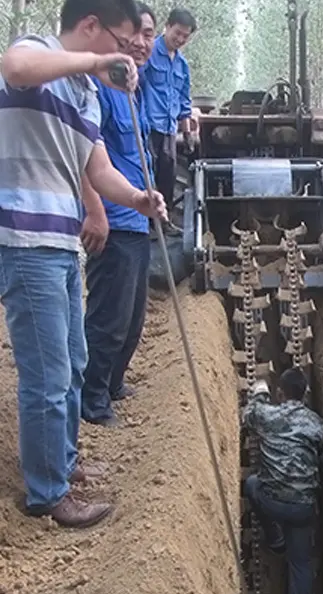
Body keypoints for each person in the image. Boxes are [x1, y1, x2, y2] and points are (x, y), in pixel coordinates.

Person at [0, 0, 167, 528]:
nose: (127, 55)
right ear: (90, 26)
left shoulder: (88, 95)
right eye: (122, 43)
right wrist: (94, 63)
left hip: (60, 243)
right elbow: (14, 68)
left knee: (72, 361)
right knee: (47, 373)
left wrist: (139, 197)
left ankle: (63, 463)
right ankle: (47, 494)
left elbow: (97, 169)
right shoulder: (40, 54)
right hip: (26, 241)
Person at [80, 2, 157, 427]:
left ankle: (112, 382)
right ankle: (92, 401)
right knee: (109, 318)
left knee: (131, 319)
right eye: (136, 35)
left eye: (149, 36)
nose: (142, 44)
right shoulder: (102, 89)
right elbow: (85, 156)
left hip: (136, 220)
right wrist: (95, 212)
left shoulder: (134, 89)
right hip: (113, 220)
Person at [242, 368, 323, 594]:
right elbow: (321, 454)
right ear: (304, 395)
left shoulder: (269, 415)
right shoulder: (316, 423)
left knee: (253, 484)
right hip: (303, 507)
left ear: (281, 393)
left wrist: (259, 391)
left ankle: (275, 539)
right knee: (300, 562)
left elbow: (248, 416)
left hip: (273, 502)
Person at [141, 7, 196, 214]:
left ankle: (165, 220)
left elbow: (184, 101)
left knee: (168, 176)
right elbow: (133, 83)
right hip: (148, 126)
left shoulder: (182, 65)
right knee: (146, 173)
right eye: (178, 33)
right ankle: (146, 221)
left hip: (170, 129)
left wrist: (188, 132)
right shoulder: (149, 51)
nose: (180, 39)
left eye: (185, 36)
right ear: (167, 26)